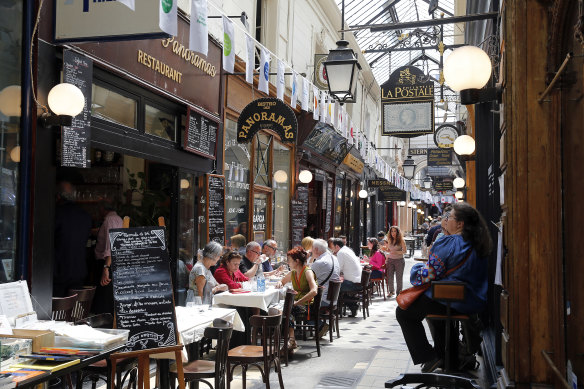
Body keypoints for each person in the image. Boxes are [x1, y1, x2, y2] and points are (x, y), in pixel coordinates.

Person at [396, 202, 492, 373]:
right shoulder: (478, 243)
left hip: (448, 300)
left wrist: (415, 269)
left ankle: (430, 357)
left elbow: (428, 275)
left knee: (404, 312)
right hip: (471, 303)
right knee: (435, 313)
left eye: (449, 217)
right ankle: (450, 361)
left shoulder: (450, 242)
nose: (446, 220)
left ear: (460, 223)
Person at [53, 181, 92, 297]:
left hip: (58, 271)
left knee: (57, 311)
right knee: (74, 310)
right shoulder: (85, 215)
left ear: (58, 196)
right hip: (79, 270)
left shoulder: (56, 214)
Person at [275, 247, 319, 350]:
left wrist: (298, 302)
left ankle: (291, 340)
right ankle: (286, 339)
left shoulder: (308, 272)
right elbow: (282, 281)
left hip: (307, 306)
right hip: (296, 304)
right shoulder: (293, 273)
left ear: (297, 261)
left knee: (287, 309)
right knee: (279, 309)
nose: (288, 263)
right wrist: (279, 283)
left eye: (289, 260)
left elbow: (314, 291)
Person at [93, 200, 123, 314]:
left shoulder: (110, 220)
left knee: (104, 299)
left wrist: (106, 268)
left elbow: (111, 245)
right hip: (113, 262)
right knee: (109, 298)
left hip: (107, 263)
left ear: (103, 209)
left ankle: (105, 324)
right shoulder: (118, 218)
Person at [331, 238, 362, 317]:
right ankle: (352, 305)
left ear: (337, 246)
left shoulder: (341, 253)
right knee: (336, 284)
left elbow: (337, 268)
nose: (332, 250)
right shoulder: (347, 250)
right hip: (357, 281)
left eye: (333, 247)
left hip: (352, 283)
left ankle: (334, 309)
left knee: (333, 286)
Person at [310, 239, 340, 308]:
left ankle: (311, 318)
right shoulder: (334, 258)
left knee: (295, 300)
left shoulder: (320, 262)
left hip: (322, 299)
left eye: (312, 248)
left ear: (316, 249)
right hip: (333, 299)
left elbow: (305, 279)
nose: (311, 251)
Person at [386, 226, 407, 298]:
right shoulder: (389, 240)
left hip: (399, 260)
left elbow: (405, 251)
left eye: (395, 231)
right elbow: (389, 249)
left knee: (399, 277)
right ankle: (391, 291)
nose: (393, 233)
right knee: (390, 276)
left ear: (397, 232)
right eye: (392, 231)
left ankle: (399, 292)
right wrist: (385, 250)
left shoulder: (401, 240)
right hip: (390, 260)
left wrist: (396, 252)